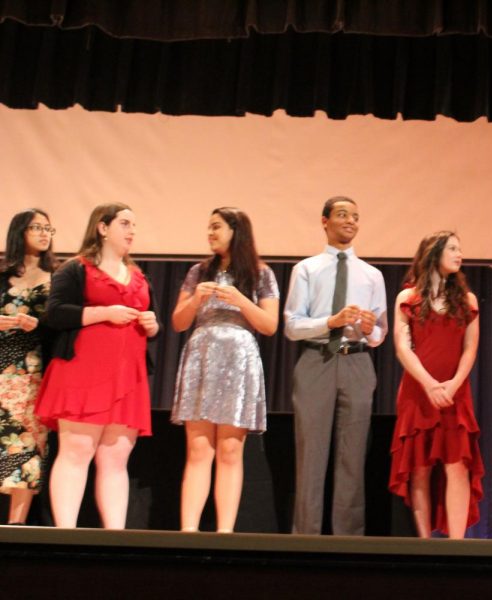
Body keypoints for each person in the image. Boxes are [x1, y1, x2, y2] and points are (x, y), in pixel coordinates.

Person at [35, 203, 159, 529]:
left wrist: (151, 324)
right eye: (124, 223)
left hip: (126, 377)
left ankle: (114, 537)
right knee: (76, 451)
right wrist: (104, 313)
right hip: (83, 372)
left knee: (115, 459)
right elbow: (57, 313)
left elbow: (153, 325)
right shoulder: (75, 269)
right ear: (102, 228)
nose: (132, 231)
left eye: (134, 225)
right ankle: (65, 534)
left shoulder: (139, 275)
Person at [283, 196, 387, 535]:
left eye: (356, 217)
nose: (351, 222)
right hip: (317, 360)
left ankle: (348, 540)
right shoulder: (307, 269)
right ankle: (306, 539)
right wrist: (331, 321)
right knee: (310, 455)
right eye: (343, 215)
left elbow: (380, 332)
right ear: (325, 220)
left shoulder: (372, 275)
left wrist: (372, 330)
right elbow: (291, 325)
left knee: (352, 457)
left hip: (357, 362)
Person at [170, 207, 279, 533]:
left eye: (216, 227)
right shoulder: (198, 271)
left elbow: (270, 325)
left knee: (231, 449)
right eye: (209, 227)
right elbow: (178, 323)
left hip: (238, 360)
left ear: (236, 230)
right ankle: (188, 532)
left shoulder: (260, 273)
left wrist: (240, 299)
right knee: (199, 448)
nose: (210, 233)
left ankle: (224, 533)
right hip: (202, 357)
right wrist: (195, 302)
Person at [388, 231, 484, 539]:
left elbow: (470, 348)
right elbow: (403, 348)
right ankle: (424, 543)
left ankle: (456, 544)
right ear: (434, 253)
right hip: (418, 392)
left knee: (457, 465)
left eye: (460, 248)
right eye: (453, 248)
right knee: (420, 467)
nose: (459, 255)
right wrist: (429, 385)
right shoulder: (408, 298)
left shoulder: (467, 300)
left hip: (456, 394)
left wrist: (453, 385)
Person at [0, 209, 56, 525]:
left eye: (49, 228)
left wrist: (40, 325)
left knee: (28, 444)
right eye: (37, 227)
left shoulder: (58, 277)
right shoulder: (0, 274)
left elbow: (62, 325)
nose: (44, 233)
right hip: (1, 366)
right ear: (20, 231)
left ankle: (16, 527)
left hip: (35, 371)